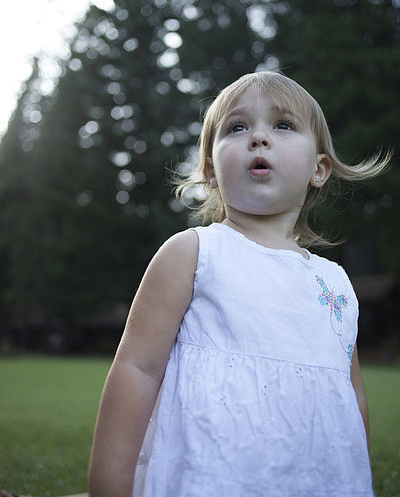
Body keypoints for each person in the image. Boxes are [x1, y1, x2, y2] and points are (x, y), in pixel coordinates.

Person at [88, 71, 389, 497]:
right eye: (237, 127)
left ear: (319, 169)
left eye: (282, 125)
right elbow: (137, 369)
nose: (258, 138)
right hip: (209, 478)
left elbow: (349, 397)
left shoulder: (335, 283)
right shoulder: (193, 253)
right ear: (211, 170)